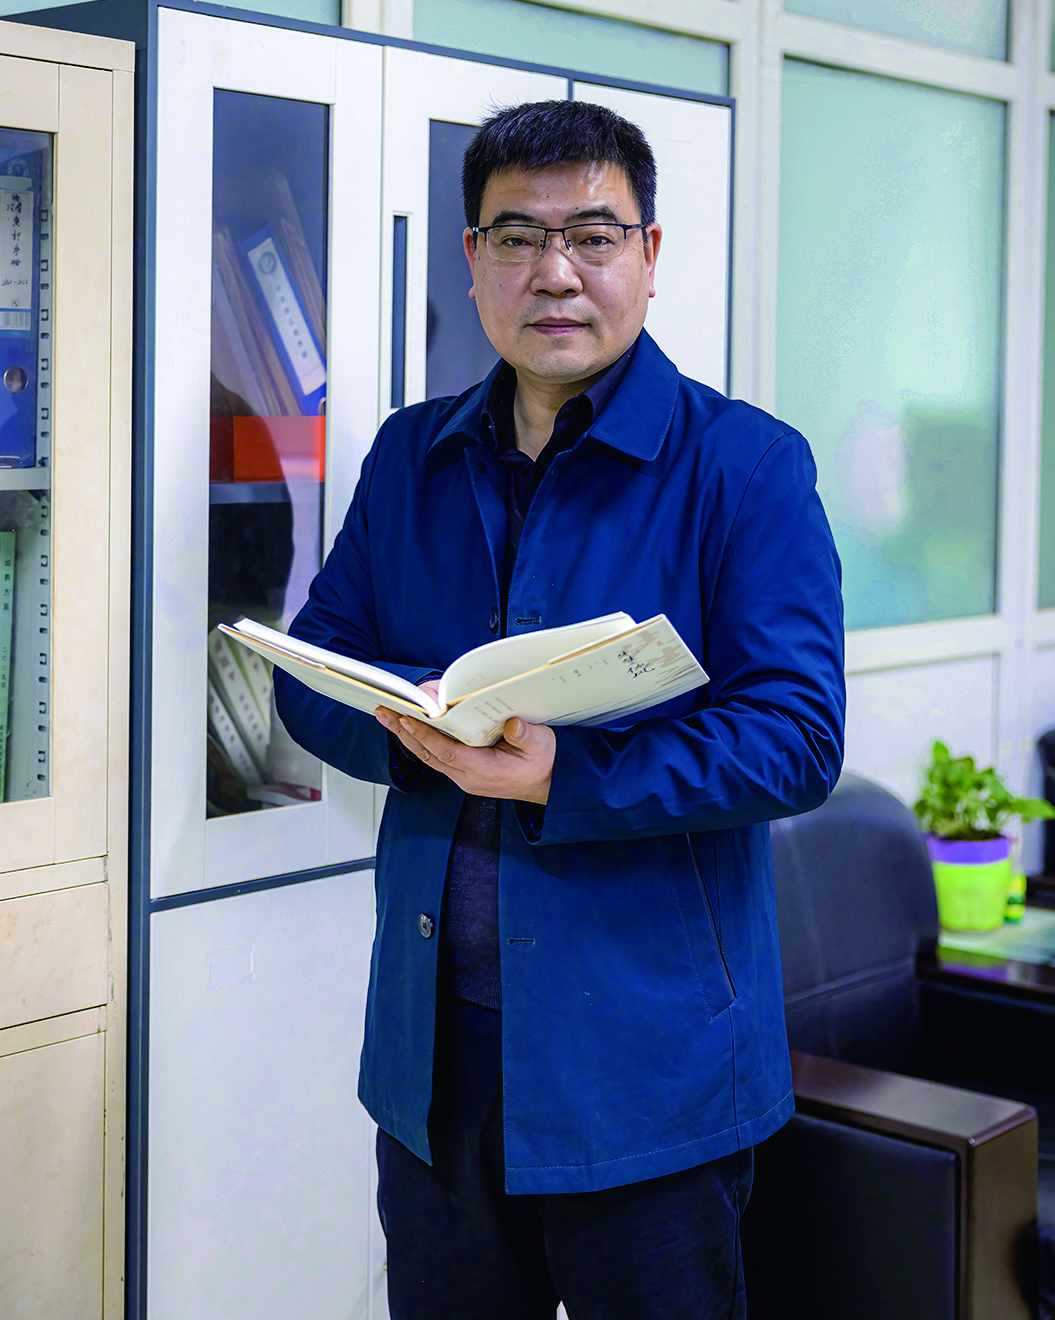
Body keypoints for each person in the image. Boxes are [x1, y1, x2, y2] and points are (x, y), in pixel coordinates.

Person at [275, 99, 845, 1320]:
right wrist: (418, 729)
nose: (556, 271)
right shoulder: (411, 456)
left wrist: (558, 773)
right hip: (435, 1060)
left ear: (650, 251)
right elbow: (309, 671)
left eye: (593, 234)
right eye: (517, 236)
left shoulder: (745, 465)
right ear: (472, 257)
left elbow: (796, 738)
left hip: (648, 1068)